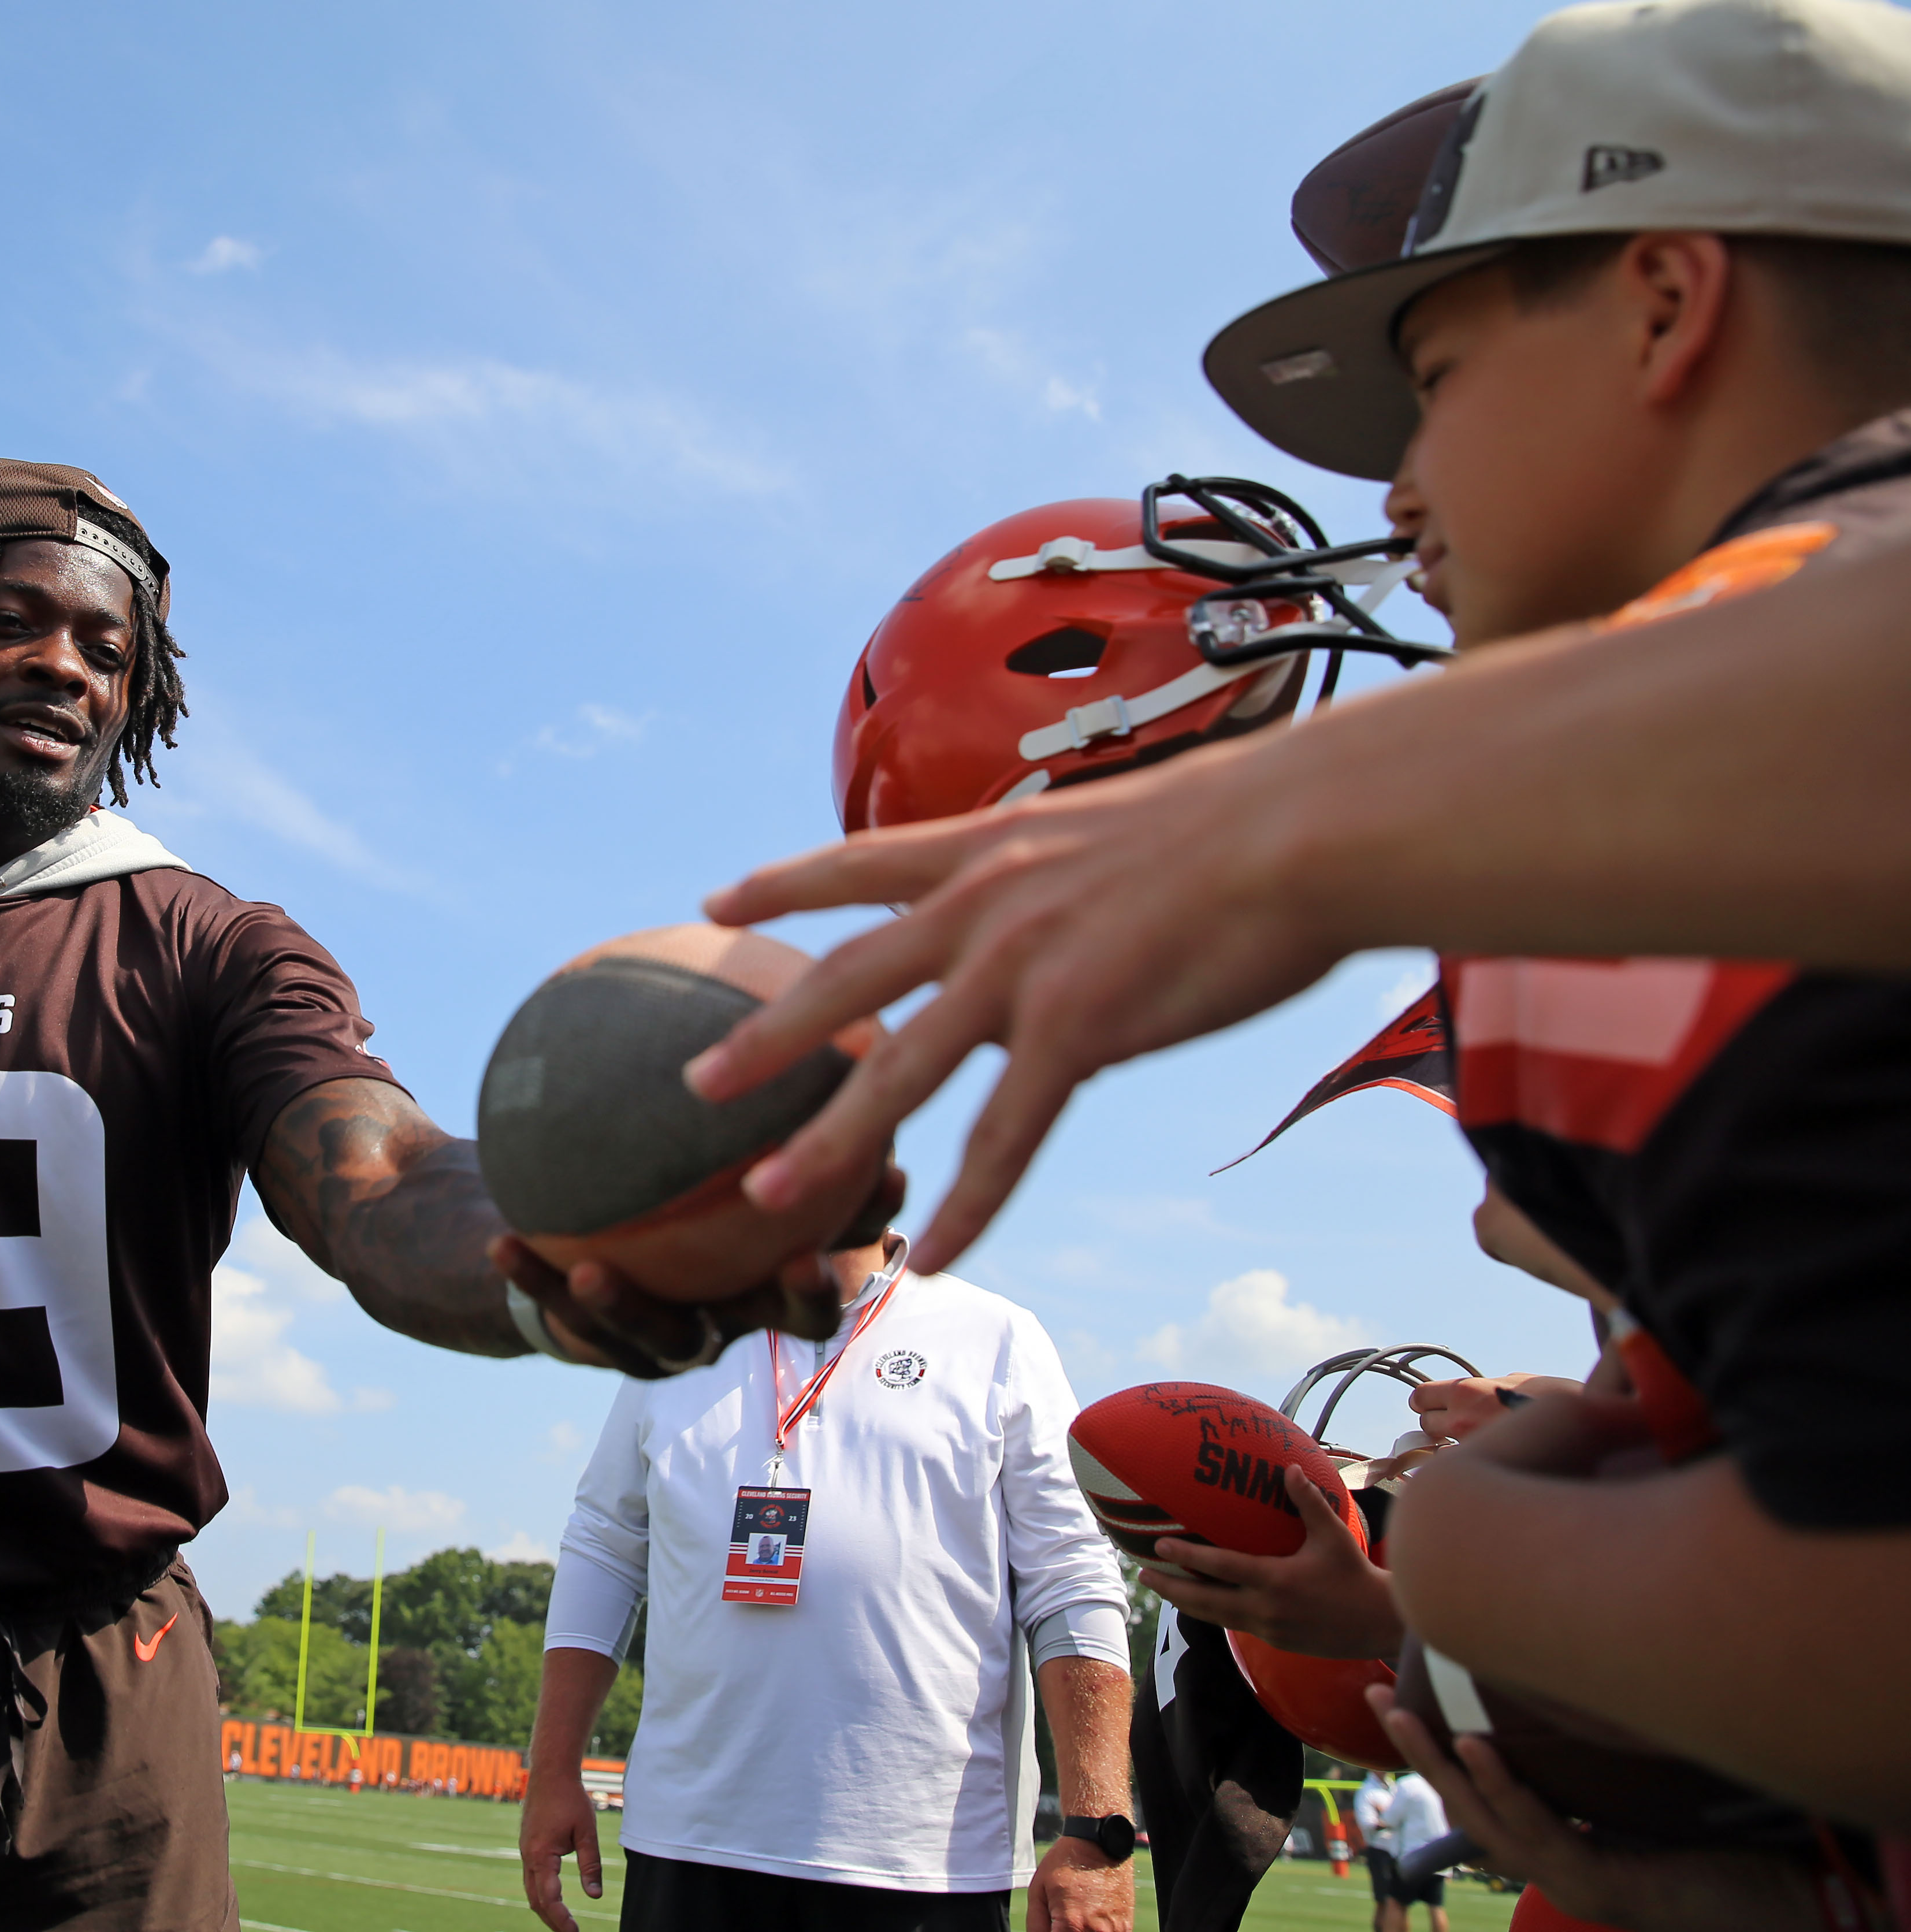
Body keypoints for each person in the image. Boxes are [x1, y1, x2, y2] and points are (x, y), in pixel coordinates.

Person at [685, 0, 1911, 1839]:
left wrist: (1479, 1574)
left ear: (1667, 305)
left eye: (1437, 376)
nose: (1397, 487)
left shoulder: (1618, 868)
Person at [0, 459, 859, 1932]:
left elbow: (370, 1172)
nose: (69, 662)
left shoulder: (208, 946)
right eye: (13, 618)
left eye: (110, 647)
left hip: (101, 1698)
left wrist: (539, 1251)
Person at [518, 1228, 1134, 1932]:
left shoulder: (996, 1336)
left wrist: (1097, 1824)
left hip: (925, 1860)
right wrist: (553, 1767)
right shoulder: (673, 1339)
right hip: (689, 1842)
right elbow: (605, 1547)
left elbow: (1072, 1577)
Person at [1382, 1771, 1451, 1932]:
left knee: (1396, 1903)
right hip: (1440, 1854)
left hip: (1413, 1855)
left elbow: (1391, 1818)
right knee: (1436, 1906)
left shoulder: (1408, 1784)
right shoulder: (1445, 1780)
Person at [1355, 1771, 1400, 1932]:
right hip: (1379, 1850)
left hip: (1397, 1850)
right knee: (1384, 1901)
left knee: (1398, 1901)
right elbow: (1367, 1824)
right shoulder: (1367, 1791)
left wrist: (1388, 1817)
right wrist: (1391, 1821)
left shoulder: (1393, 1788)